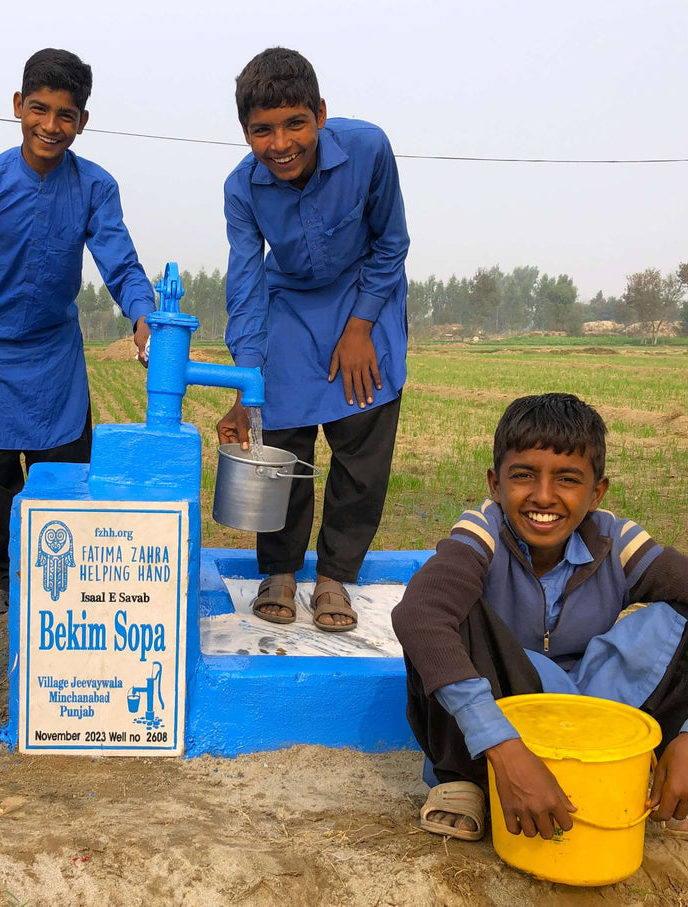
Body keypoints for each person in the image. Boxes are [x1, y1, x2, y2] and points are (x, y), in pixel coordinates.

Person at [392, 392, 688, 843]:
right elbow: (420, 614)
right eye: (523, 476)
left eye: (568, 479)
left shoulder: (616, 541)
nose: (544, 496)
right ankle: (465, 779)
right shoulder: (482, 533)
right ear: (495, 485)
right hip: (508, 710)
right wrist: (505, 748)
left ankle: (653, 768)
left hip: (587, 705)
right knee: (441, 614)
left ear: (596, 493)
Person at [0, 48, 156, 621]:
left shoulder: (95, 187)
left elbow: (122, 264)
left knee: (64, 479)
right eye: (40, 109)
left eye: (66, 115)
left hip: (56, 359)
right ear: (18, 106)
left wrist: (143, 316)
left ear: (82, 121)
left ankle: (60, 590)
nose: (51, 126)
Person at [217, 47, 409, 633]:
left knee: (361, 454)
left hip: (365, 298)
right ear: (245, 132)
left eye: (295, 123)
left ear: (320, 113)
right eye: (262, 130)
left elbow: (391, 242)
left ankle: (333, 577)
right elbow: (246, 283)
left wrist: (360, 329)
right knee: (285, 448)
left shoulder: (370, 148)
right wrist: (248, 387)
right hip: (291, 307)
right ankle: (279, 569)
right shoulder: (241, 189)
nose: (281, 144)